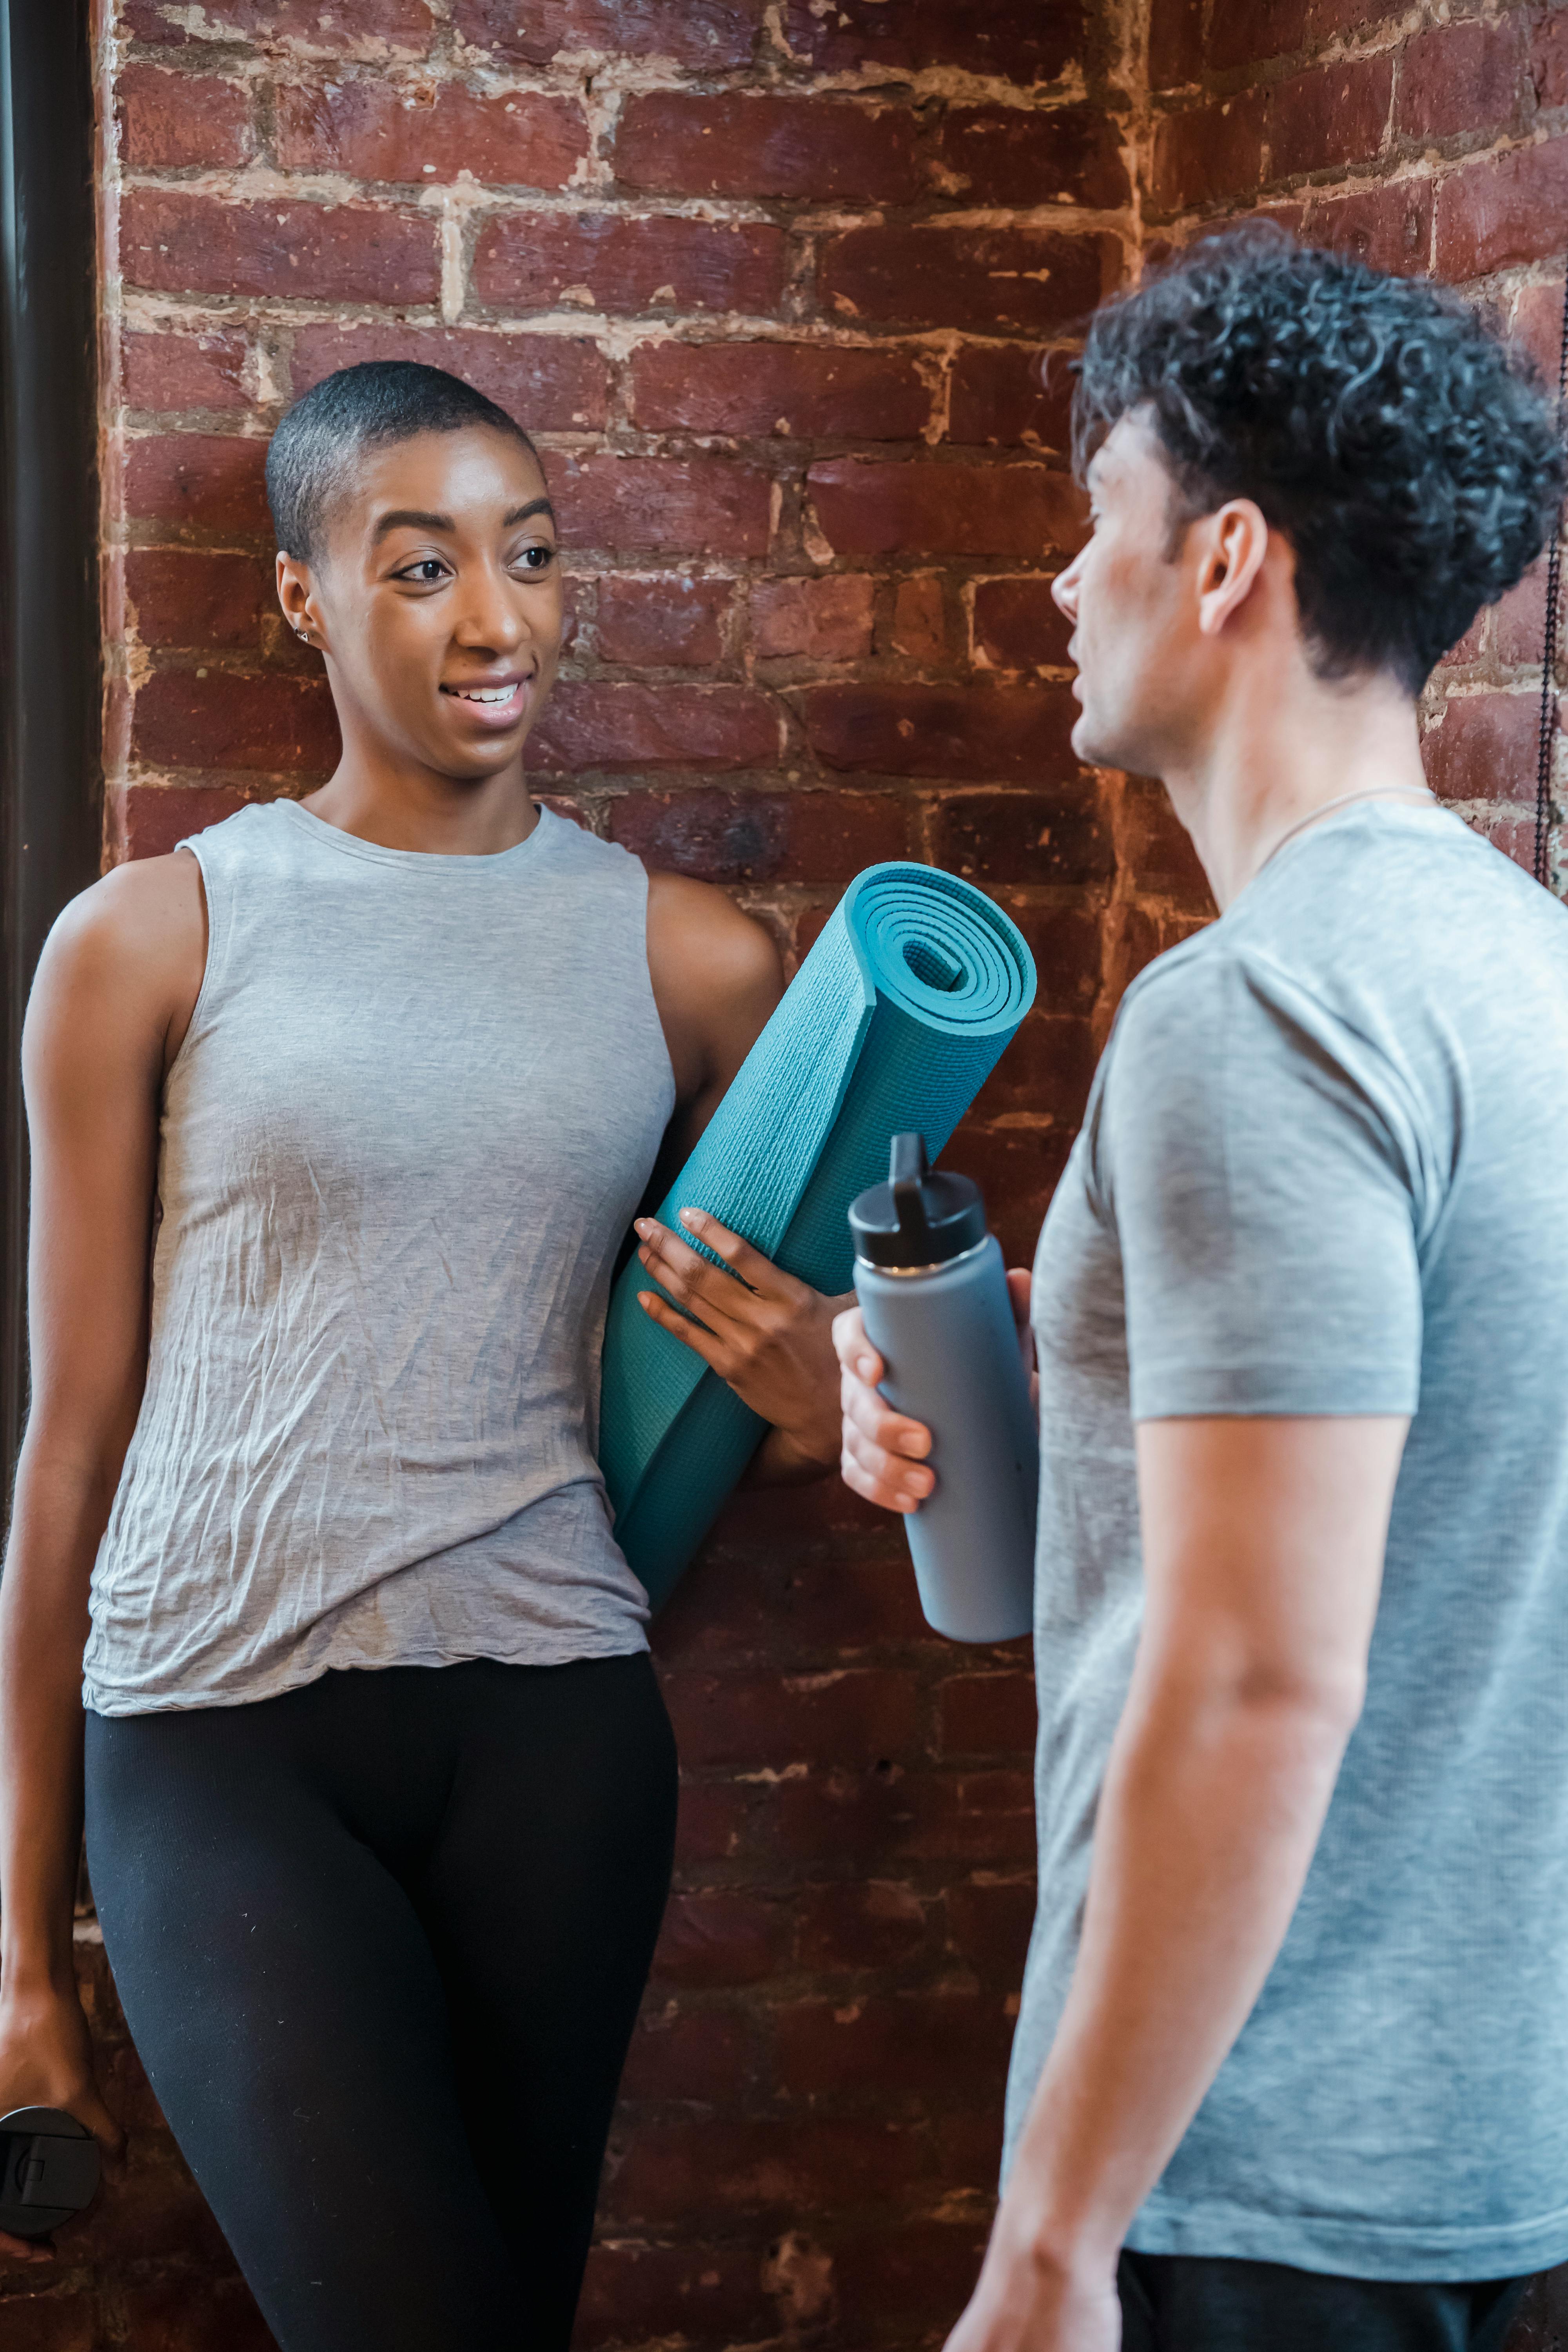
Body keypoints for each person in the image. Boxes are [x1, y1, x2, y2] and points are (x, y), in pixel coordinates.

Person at [0, 359, 846, 2352]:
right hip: (214, 1734)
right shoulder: (152, 938)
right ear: (306, 598)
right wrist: (20, 1957)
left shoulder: (702, 964)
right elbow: (69, 1445)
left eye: (532, 558)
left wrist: (823, 1402)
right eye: (423, 566)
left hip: (553, 1731)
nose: (498, 621)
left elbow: (816, 1393)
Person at [837, 228, 1568, 2352]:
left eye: (1100, 526)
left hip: (1264, 2189)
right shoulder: (1523, 972)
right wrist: (1037, 1452)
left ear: (1228, 559)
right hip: (1496, 2155)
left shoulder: (1251, 1015)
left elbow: (1263, 1679)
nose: (1068, 587)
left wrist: (1055, 2244)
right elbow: (1448, 1512)